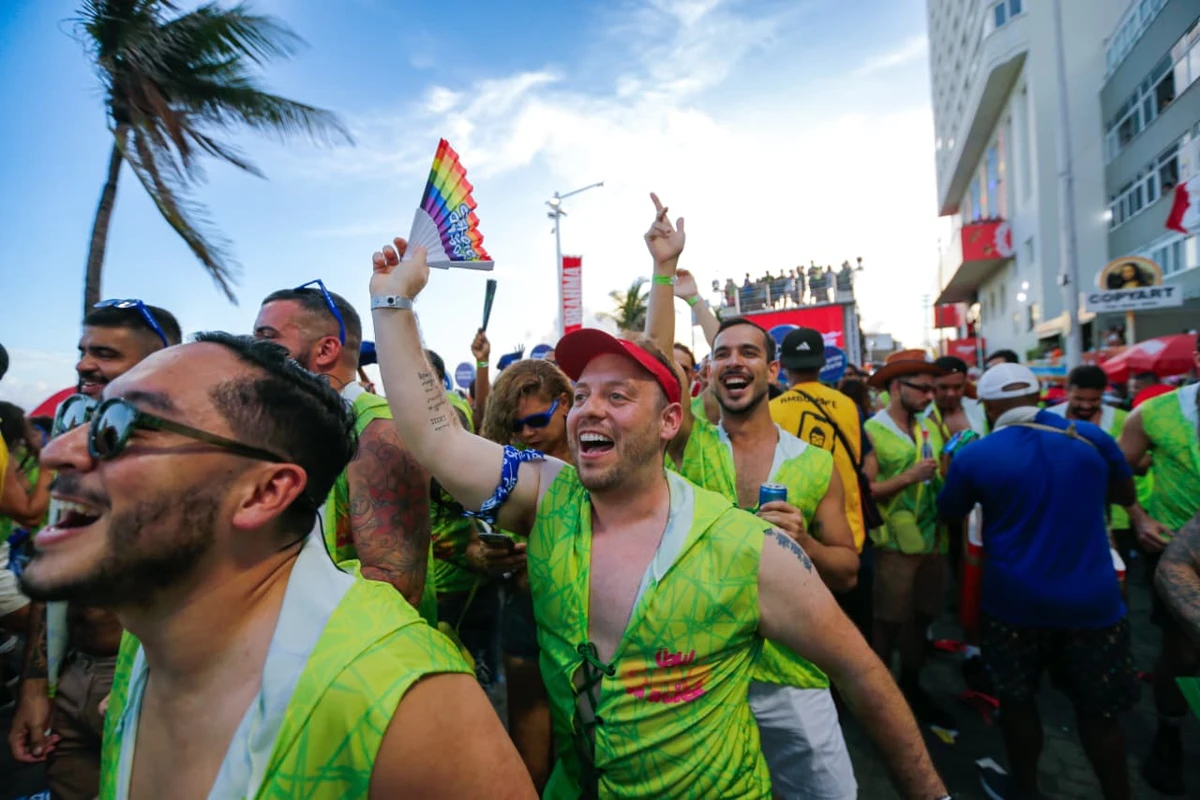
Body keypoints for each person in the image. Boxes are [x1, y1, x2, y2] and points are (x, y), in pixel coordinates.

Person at [367, 224, 948, 799]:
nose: (589, 409)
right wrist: (393, 305)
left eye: (617, 396)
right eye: (583, 395)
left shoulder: (750, 553)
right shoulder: (550, 496)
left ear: (670, 422)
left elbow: (864, 677)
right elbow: (437, 440)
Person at [20, 333, 531, 797]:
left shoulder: (404, 704)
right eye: (78, 420)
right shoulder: (152, 632)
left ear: (264, 492)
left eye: (116, 428)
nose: (56, 454)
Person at [940, 363, 1138, 800]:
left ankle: (1026, 790)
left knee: (1018, 703)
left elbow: (950, 511)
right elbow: (1126, 496)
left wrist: (949, 468)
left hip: (1014, 605)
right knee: (1100, 715)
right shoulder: (1092, 438)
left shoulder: (978, 454)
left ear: (989, 407)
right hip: (1094, 605)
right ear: (1040, 395)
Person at [9, 301, 180, 800]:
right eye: (83, 350)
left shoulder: (190, 448)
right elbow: (56, 566)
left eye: (104, 353)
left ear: (159, 362)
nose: (84, 364)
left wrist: (159, 683)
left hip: (147, 679)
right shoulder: (73, 423)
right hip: (74, 674)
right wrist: (37, 686)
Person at [254, 284, 433, 613]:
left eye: (267, 337)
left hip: (363, 657)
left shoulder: (378, 431)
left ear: (325, 350)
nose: (253, 350)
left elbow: (395, 590)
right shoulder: (298, 428)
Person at [477, 359, 573, 792]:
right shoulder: (511, 470)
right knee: (528, 763)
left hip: (588, 625)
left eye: (537, 419)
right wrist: (485, 555)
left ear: (566, 404)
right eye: (518, 427)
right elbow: (477, 539)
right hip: (526, 616)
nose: (529, 433)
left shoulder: (606, 457)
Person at [1118, 339, 1200, 795]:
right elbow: (1117, 471)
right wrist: (1139, 517)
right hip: (1176, 557)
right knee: (1184, 651)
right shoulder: (1153, 414)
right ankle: (1169, 733)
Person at [864, 353, 954, 728]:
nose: (932, 395)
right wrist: (909, 476)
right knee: (887, 624)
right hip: (893, 547)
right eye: (924, 388)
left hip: (934, 541)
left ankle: (912, 686)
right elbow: (865, 491)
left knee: (921, 619)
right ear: (897, 388)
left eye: (934, 388)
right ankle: (879, 699)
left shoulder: (930, 426)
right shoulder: (871, 430)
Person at [771, 328, 874, 635]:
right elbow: (864, 461)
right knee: (855, 637)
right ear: (822, 363)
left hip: (792, 537)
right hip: (851, 538)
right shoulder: (848, 406)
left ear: (784, 365)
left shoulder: (771, 409)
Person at [1047, 365, 1137, 564]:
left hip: (1118, 516)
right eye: (1079, 399)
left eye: (1094, 400)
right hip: (1063, 514)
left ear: (1103, 393)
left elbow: (1140, 463)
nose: (1086, 406)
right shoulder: (1049, 419)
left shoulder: (1124, 420)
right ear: (1067, 391)